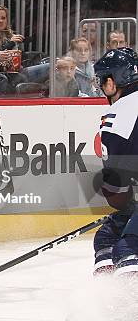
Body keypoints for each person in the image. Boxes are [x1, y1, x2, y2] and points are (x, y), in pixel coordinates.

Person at [92, 47, 138, 276]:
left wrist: (127, 204)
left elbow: (116, 188)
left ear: (111, 83)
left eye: (102, 81)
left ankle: (128, 309)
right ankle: (110, 302)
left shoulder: (118, 116)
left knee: (127, 249)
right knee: (107, 237)